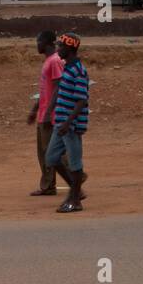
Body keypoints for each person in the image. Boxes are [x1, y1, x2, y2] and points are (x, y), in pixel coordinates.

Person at [45, 32, 89, 214]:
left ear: (70, 48)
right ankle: (75, 189)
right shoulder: (67, 67)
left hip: (70, 126)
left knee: (75, 162)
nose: (58, 50)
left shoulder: (79, 71)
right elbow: (59, 91)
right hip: (61, 123)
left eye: (60, 47)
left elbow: (81, 101)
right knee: (51, 158)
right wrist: (49, 112)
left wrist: (68, 122)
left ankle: (75, 200)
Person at [26, 29, 69, 196]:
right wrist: (34, 110)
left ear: (47, 43)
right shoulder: (48, 62)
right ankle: (48, 185)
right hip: (44, 112)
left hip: (51, 115)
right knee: (44, 151)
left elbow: (59, 86)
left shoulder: (55, 61)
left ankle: (76, 175)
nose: (37, 45)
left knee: (53, 151)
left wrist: (50, 110)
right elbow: (45, 91)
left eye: (39, 42)